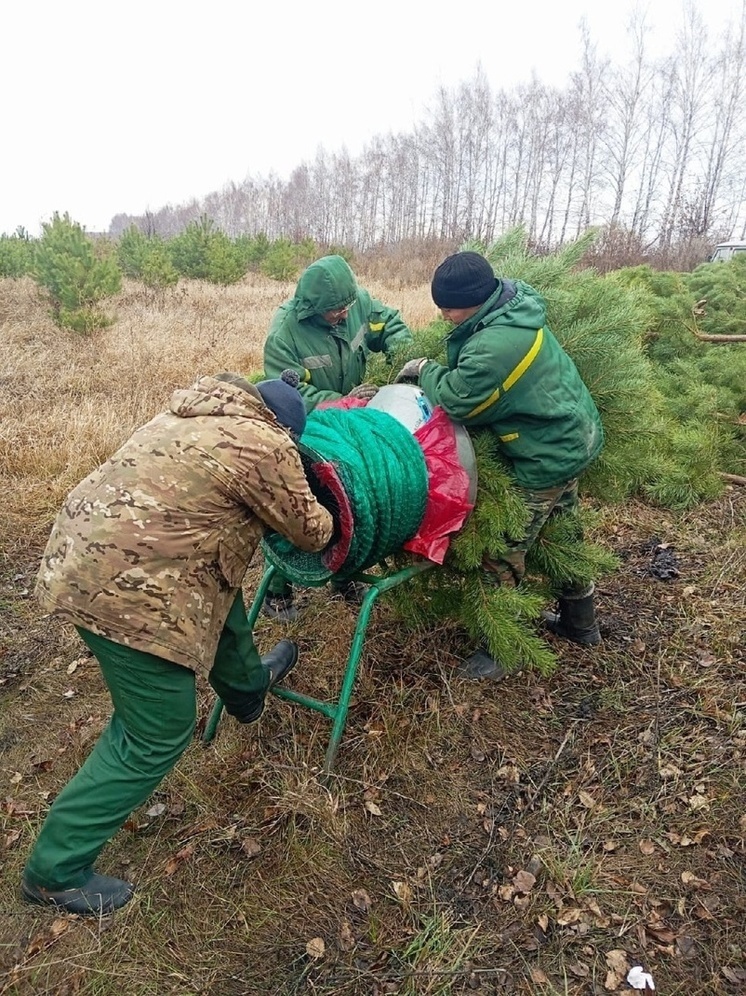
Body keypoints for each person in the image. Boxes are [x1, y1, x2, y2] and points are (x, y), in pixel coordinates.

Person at [22, 370, 334, 916]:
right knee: (155, 732)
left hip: (84, 553)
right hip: (130, 591)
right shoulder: (267, 444)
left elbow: (214, 560)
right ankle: (55, 872)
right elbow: (312, 532)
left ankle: (246, 691)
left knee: (221, 596)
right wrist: (324, 493)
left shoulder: (190, 415)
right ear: (283, 428)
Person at [395, 251, 604, 675]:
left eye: (448, 307)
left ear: (474, 299)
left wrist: (424, 369)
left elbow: (457, 400)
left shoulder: (495, 345)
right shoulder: (513, 306)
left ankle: (501, 648)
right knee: (563, 532)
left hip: (545, 453)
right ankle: (582, 624)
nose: (444, 315)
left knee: (503, 547)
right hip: (573, 436)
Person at [262, 253, 413, 620]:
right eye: (335, 311)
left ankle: (344, 577)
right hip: (310, 431)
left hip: (352, 429)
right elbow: (291, 399)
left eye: (347, 306)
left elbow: (388, 323)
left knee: (352, 501)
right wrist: (341, 402)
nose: (344, 315)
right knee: (297, 509)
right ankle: (277, 593)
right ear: (312, 308)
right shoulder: (285, 335)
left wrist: (407, 356)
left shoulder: (354, 303)